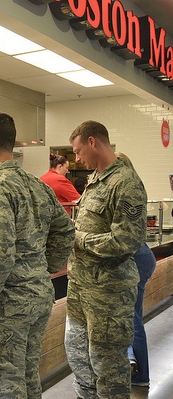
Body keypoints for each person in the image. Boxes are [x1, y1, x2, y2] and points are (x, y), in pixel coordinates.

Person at [0, 112, 75, 398]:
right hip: (38, 298)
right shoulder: (37, 185)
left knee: (3, 388)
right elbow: (66, 231)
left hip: (6, 307)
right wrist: (44, 269)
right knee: (28, 381)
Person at [64, 122, 146, 399]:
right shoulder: (95, 179)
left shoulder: (125, 182)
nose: (77, 159)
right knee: (79, 361)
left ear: (92, 142)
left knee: (108, 370)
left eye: (78, 152)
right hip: (80, 291)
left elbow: (128, 240)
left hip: (108, 295)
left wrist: (80, 240)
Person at [115, 152, 157, 388]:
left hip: (136, 259)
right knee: (132, 317)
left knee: (133, 319)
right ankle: (132, 362)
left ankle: (140, 375)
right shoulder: (134, 185)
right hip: (142, 256)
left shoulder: (124, 188)